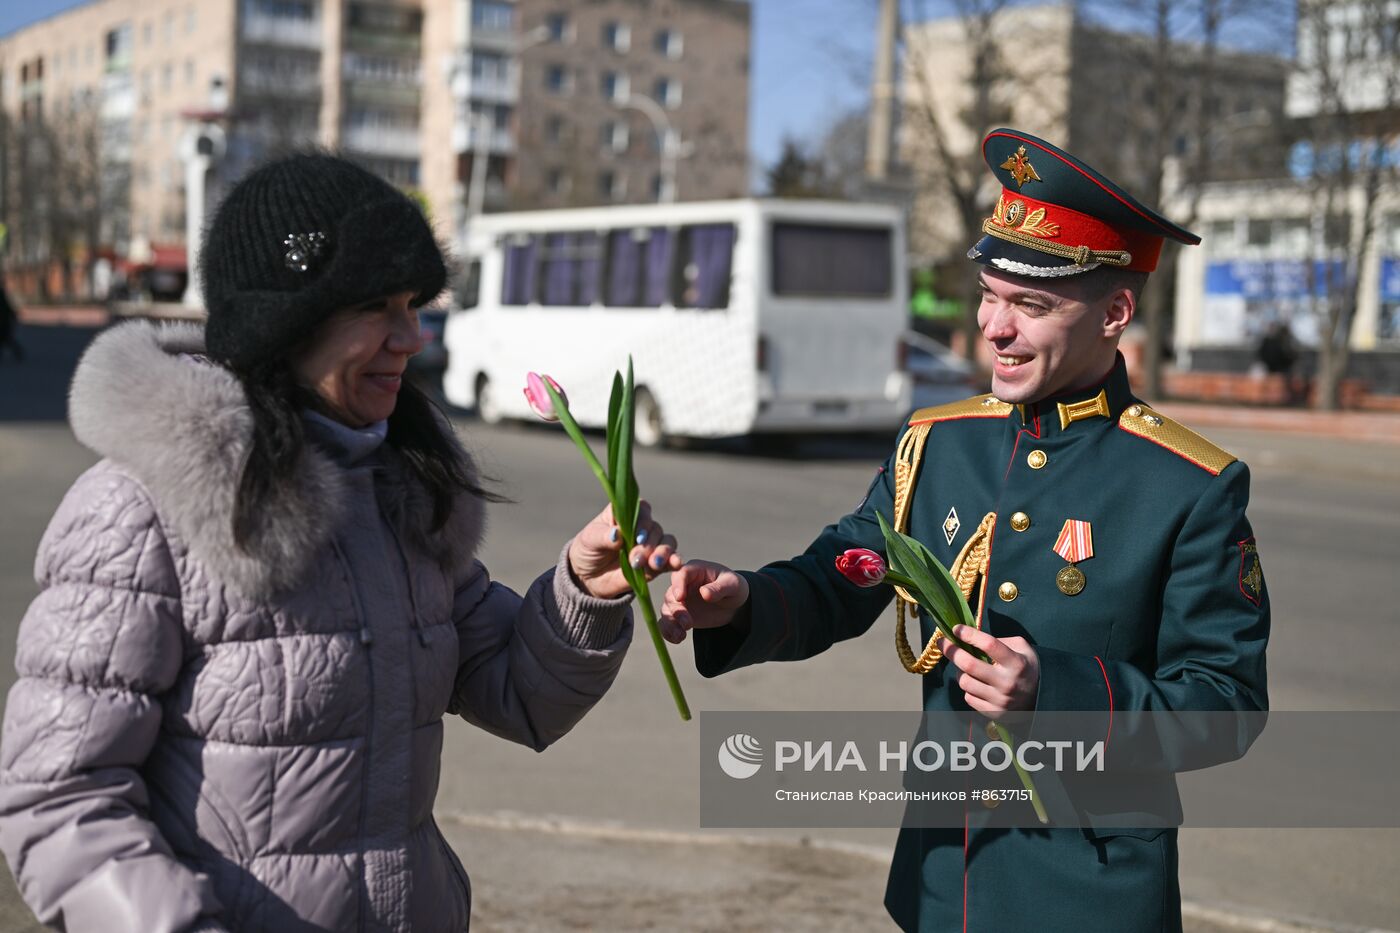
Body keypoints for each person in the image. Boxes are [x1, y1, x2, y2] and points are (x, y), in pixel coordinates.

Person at [0, 153, 681, 932]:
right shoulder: (139, 512)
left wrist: (585, 592)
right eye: (375, 306)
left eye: (414, 303)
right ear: (284, 323)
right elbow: (59, 797)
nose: (411, 336)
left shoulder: (402, 492)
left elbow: (518, 692)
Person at [662, 128, 1270, 932]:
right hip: (944, 878)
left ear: (1115, 312)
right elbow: (847, 572)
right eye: (989, 292)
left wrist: (1056, 693)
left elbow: (1225, 704)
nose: (994, 326)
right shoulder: (941, 441)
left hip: (1089, 893)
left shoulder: (1186, 484)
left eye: (1031, 304)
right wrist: (745, 598)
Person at [0, 271, 24, 362]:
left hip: (3, 322)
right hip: (4, 321)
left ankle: (18, 352)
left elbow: (6, 307)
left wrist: (12, 314)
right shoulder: (1, 293)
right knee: (6, 340)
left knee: (6, 339)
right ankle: (18, 352)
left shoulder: (1, 294)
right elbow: (7, 307)